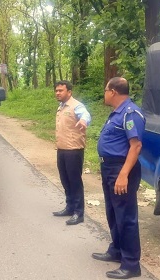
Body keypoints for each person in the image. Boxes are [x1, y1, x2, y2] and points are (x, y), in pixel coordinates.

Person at [92, 77, 145, 279]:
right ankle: (117, 250)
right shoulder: (117, 113)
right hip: (110, 168)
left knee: (126, 217)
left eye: (106, 90)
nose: (104, 94)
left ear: (113, 91)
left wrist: (123, 174)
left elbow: (136, 146)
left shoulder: (130, 113)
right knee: (113, 213)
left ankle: (131, 264)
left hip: (122, 170)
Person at [52, 80, 91, 225]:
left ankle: (78, 213)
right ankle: (69, 207)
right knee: (65, 180)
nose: (58, 93)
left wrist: (84, 121)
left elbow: (85, 115)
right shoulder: (61, 107)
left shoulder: (77, 106)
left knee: (75, 182)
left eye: (61, 90)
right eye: (56, 90)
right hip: (62, 150)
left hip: (74, 151)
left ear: (69, 92)